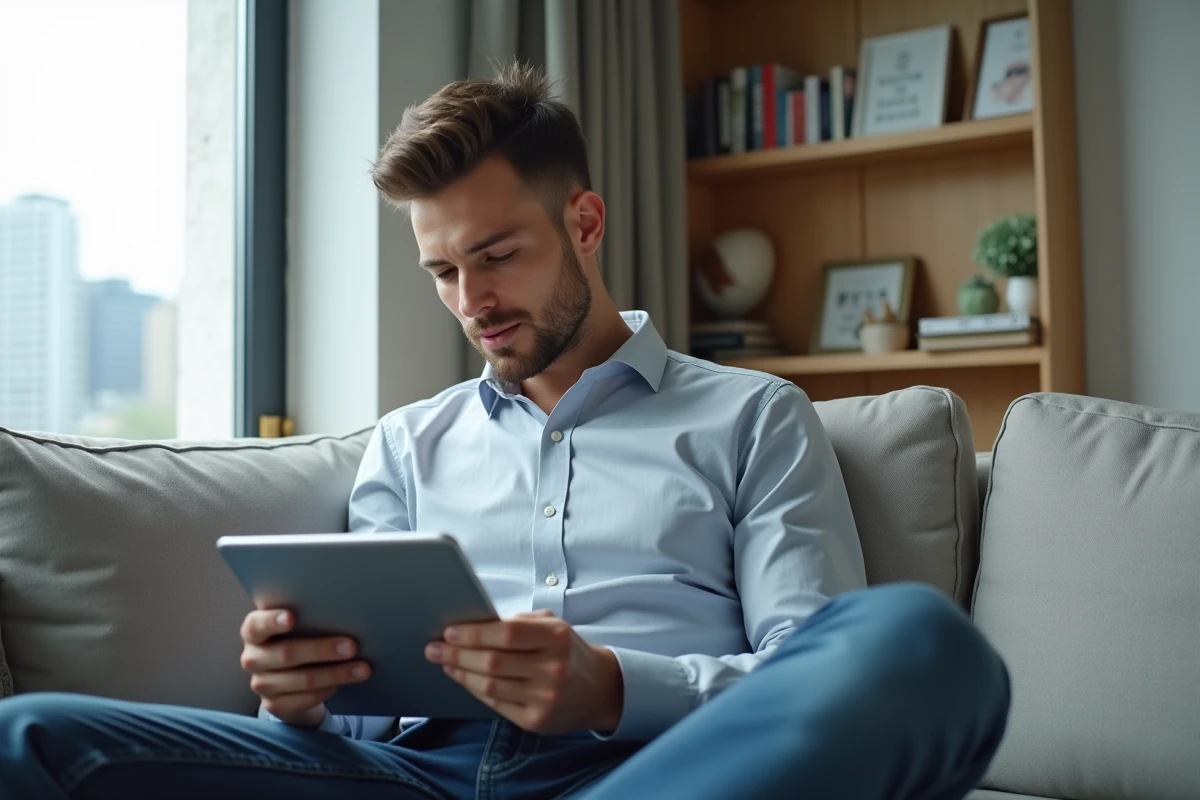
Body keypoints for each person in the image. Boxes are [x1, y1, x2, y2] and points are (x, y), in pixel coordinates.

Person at [0, 64, 1009, 800]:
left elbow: (811, 670)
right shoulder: (406, 444)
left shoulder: (750, 415)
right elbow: (360, 707)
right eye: (443, 271)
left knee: (919, 639)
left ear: (583, 221)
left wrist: (611, 686)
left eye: (497, 255)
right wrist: (296, 697)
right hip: (412, 775)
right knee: (30, 735)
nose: (472, 299)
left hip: (653, 769)